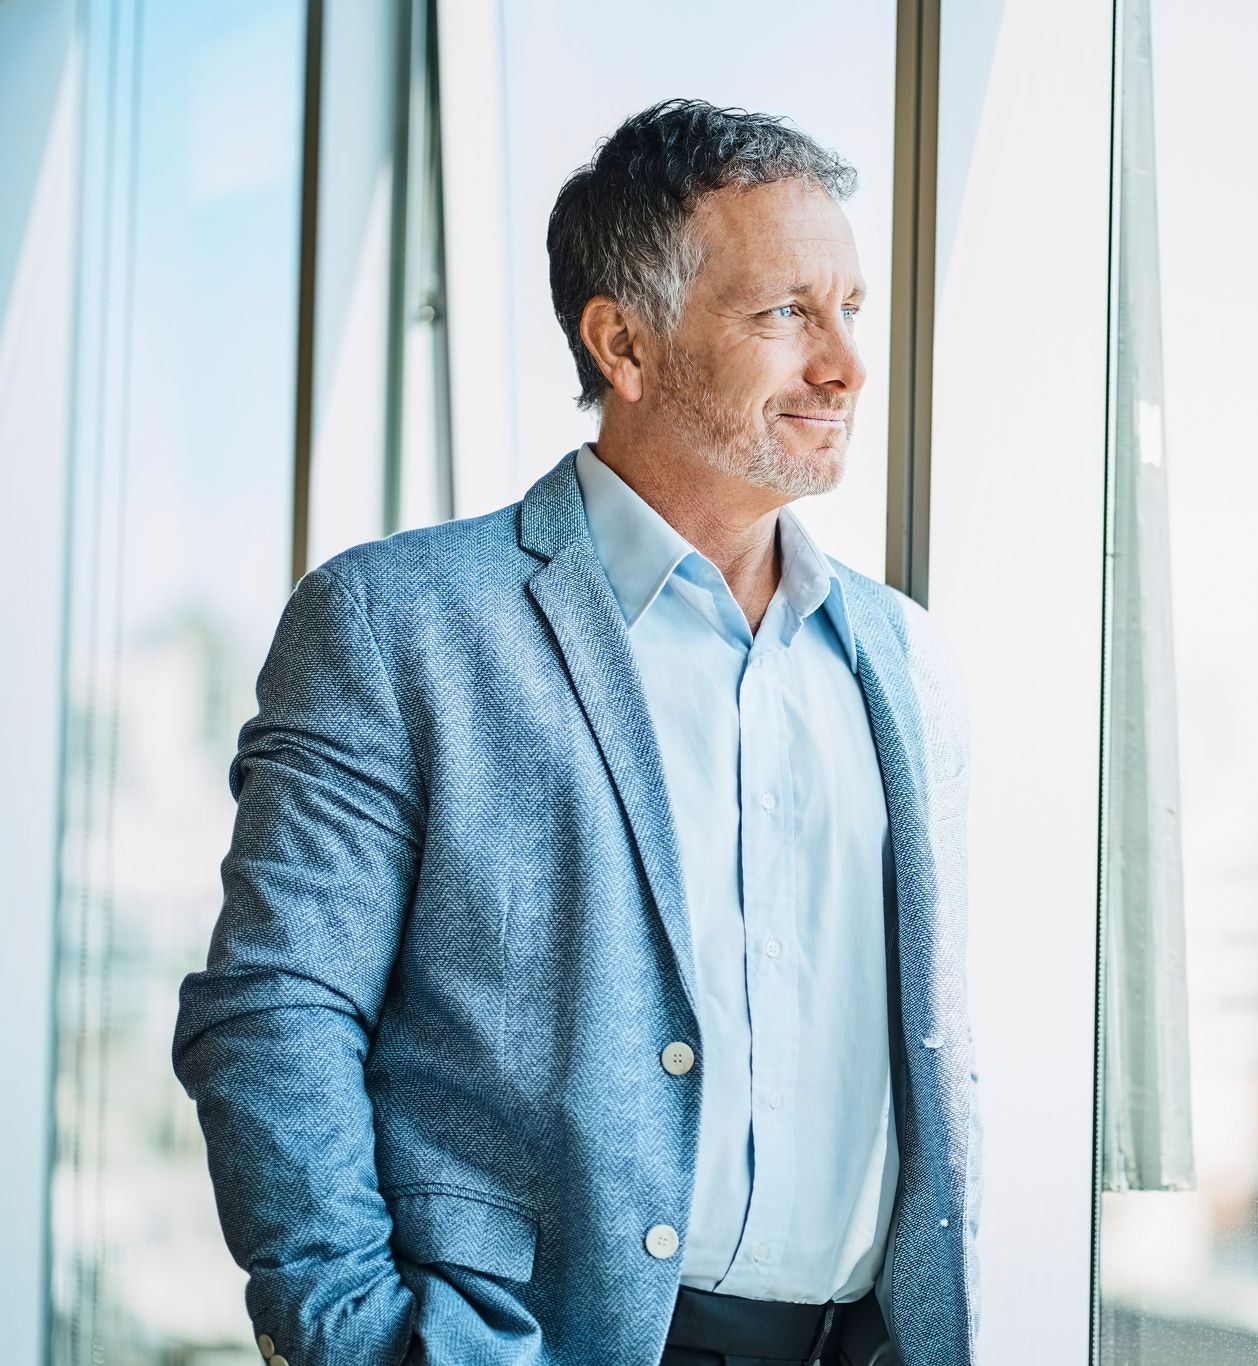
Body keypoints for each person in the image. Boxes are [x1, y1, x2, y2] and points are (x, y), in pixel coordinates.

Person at [173, 100, 979, 1366]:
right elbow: (276, 1012)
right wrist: (361, 1342)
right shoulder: (398, 622)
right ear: (623, 343)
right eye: (786, 313)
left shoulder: (903, 660)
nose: (844, 367)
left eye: (850, 310)